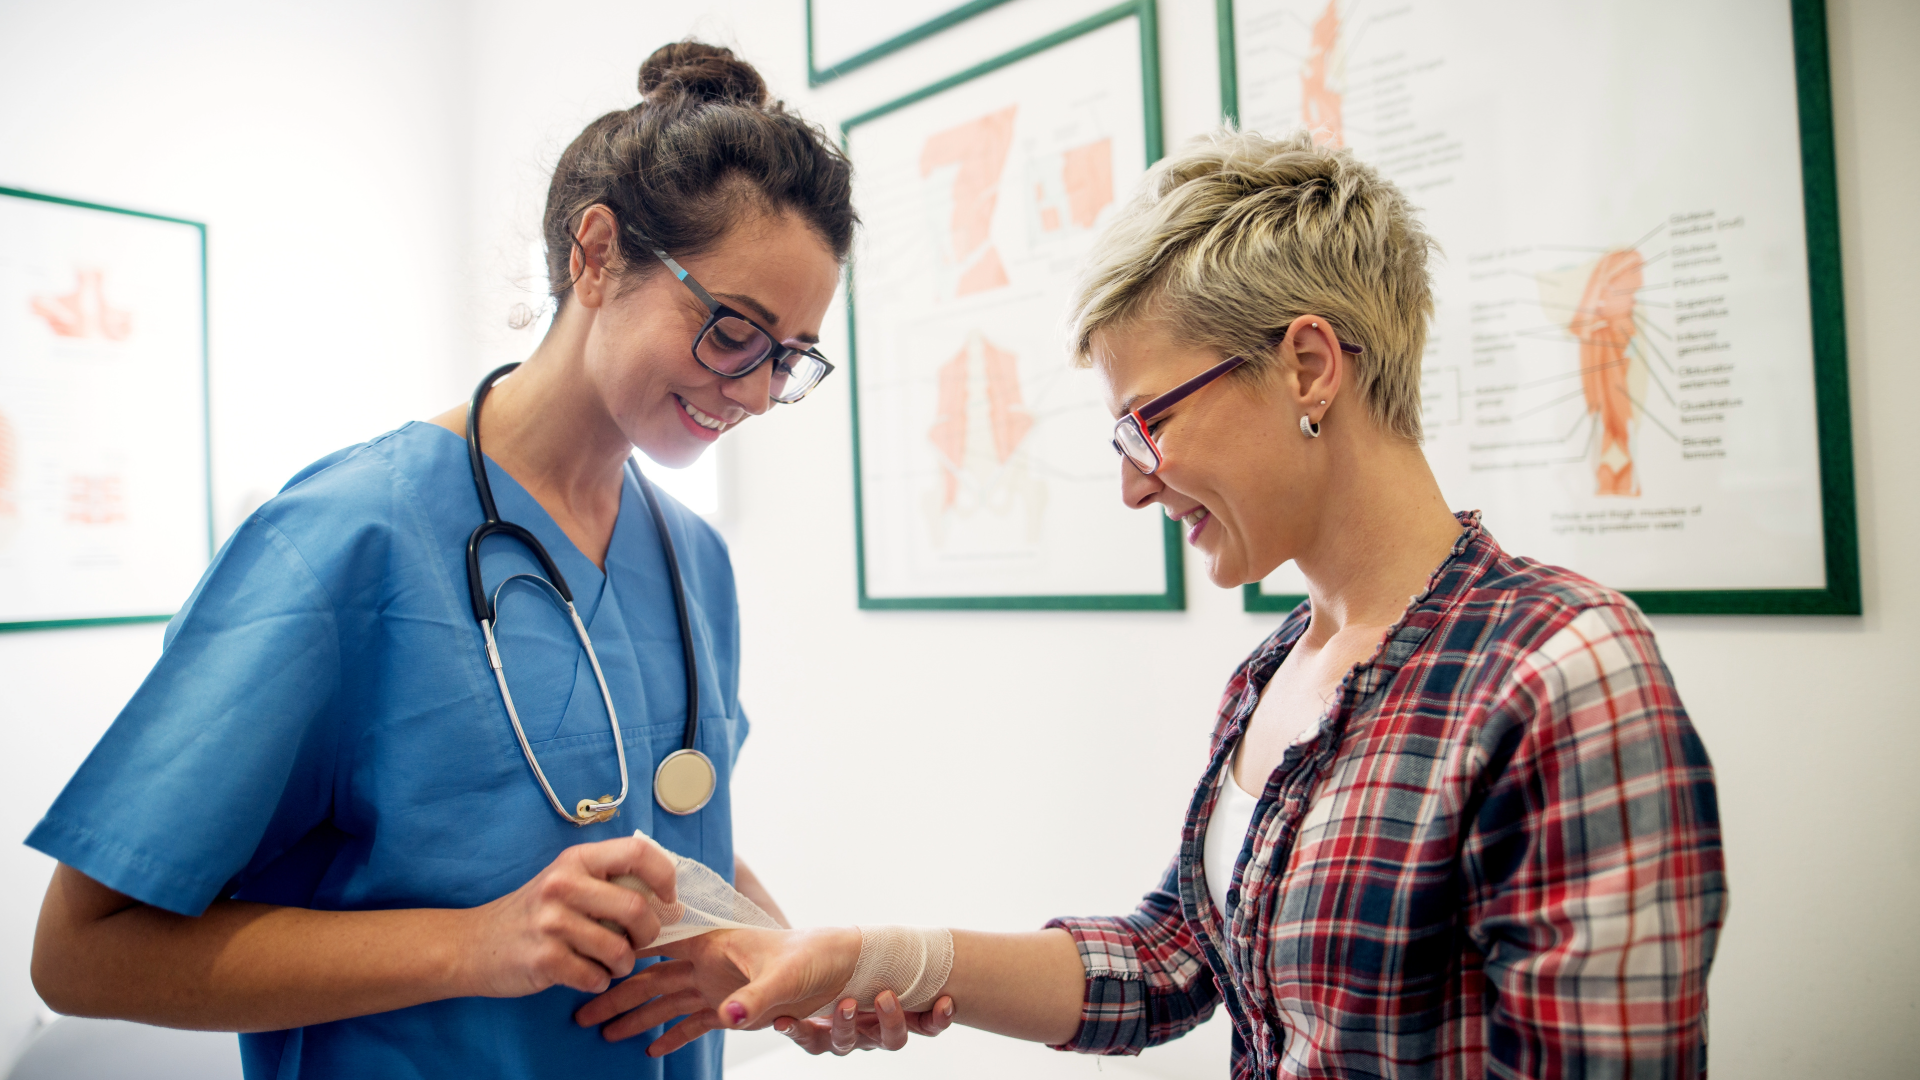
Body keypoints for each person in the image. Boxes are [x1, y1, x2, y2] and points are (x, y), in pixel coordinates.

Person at [587, 129, 1730, 1077]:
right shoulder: (1278, 671)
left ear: (1309, 366)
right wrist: (882, 955)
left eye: (1151, 422)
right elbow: (1175, 958)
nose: (1135, 483)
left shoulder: (1558, 671)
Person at [27, 41, 947, 1080]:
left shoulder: (693, 561)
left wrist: (782, 963)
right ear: (596, 255)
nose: (751, 390)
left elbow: (644, 825)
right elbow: (79, 953)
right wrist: (481, 942)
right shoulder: (344, 538)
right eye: (733, 330)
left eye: (790, 358)